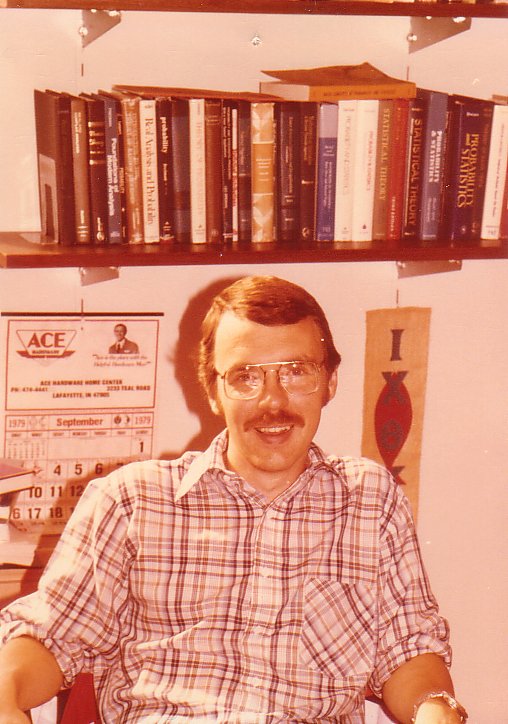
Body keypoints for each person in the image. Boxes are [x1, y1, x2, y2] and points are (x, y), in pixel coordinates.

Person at [0, 276, 467, 723]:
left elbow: (408, 648)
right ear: (213, 391)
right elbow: (50, 634)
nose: (272, 402)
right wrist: (4, 699)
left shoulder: (370, 499)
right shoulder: (130, 499)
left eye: (296, 372)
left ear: (329, 382)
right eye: (245, 377)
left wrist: (436, 708)